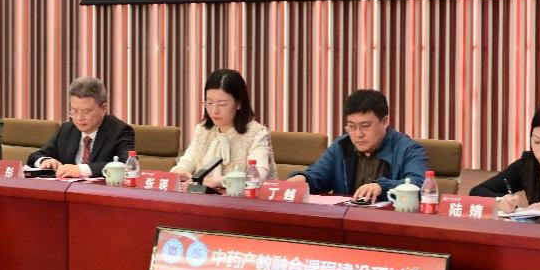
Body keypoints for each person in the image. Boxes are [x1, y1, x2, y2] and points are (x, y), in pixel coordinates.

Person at [292, 89, 424, 202]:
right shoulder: (342, 146)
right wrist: (302, 179)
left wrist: (381, 186)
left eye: (365, 126)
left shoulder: (408, 149)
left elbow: (419, 184)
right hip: (346, 219)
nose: (358, 134)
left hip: (389, 220)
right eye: (352, 127)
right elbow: (318, 175)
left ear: (384, 122)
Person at [171, 69, 276, 190]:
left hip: (242, 199)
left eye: (221, 104)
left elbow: (257, 177)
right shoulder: (203, 130)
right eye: (209, 103)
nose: (214, 110)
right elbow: (188, 160)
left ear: (239, 103)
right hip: (203, 198)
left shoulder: (256, 134)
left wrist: (218, 181)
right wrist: (180, 171)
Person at [29, 77, 135, 179]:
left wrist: (81, 170)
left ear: (103, 109)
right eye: (74, 111)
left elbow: (127, 165)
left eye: (87, 112)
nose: (79, 118)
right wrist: (44, 160)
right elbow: (36, 156)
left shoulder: (120, 131)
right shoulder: (67, 129)